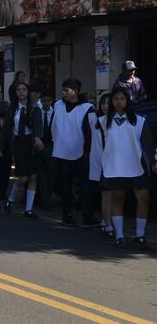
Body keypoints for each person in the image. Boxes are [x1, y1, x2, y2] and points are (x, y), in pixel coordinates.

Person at [97, 87, 153, 250]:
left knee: (143, 200)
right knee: (117, 200)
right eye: (116, 99)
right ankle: (119, 236)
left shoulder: (139, 120)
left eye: (122, 99)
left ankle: (140, 236)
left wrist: (154, 161)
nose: (119, 102)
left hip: (137, 165)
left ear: (127, 101)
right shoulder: (103, 121)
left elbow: (148, 143)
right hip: (115, 167)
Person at [50, 78, 95, 226]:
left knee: (85, 186)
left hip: (81, 152)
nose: (63, 93)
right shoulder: (57, 105)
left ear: (75, 91)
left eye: (66, 90)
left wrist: (88, 150)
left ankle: (88, 216)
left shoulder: (87, 107)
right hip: (62, 152)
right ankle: (66, 214)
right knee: (65, 186)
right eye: (63, 90)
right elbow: (52, 126)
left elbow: (90, 131)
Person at [0, 82, 44, 218]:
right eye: (19, 90)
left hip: (31, 143)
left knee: (33, 176)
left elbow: (37, 125)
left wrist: (37, 138)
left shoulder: (35, 109)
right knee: (23, 177)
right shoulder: (12, 109)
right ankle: (10, 201)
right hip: (19, 143)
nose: (21, 92)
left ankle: (28, 209)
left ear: (28, 92)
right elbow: (6, 130)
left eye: (24, 89)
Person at [88, 93, 112, 237]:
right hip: (98, 160)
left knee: (112, 193)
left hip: (112, 161)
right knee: (105, 192)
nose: (104, 106)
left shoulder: (116, 120)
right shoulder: (92, 118)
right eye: (102, 103)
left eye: (108, 103)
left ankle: (106, 220)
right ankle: (107, 223)